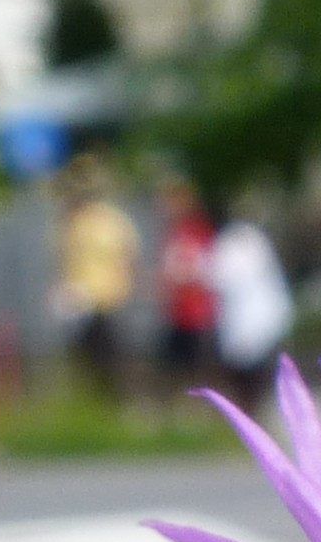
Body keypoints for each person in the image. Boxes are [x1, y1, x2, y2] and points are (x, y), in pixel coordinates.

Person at [52, 162, 139, 400]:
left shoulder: (104, 221)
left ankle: (111, 400)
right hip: (84, 299)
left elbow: (126, 257)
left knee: (106, 355)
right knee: (88, 356)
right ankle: (96, 401)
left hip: (105, 298)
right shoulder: (77, 222)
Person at [209, 207, 294, 388]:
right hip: (249, 317)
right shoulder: (249, 239)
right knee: (247, 364)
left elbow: (220, 276)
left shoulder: (237, 242)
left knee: (252, 366)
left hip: (254, 317)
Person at [154, 182, 218, 396]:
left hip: (195, 312)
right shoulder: (175, 232)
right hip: (179, 312)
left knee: (195, 363)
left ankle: (196, 404)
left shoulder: (195, 231)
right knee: (174, 363)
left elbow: (200, 268)